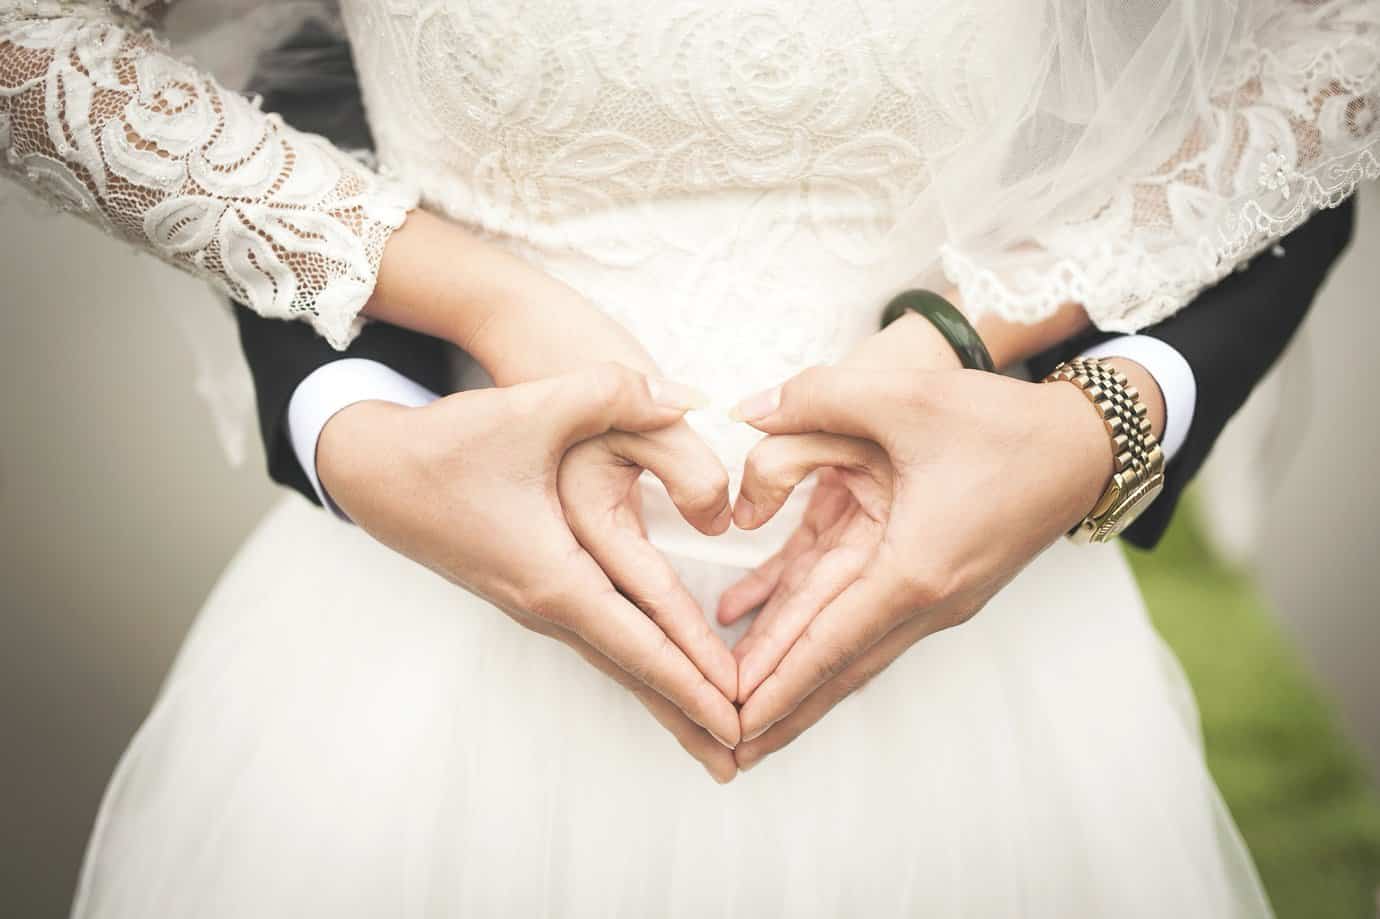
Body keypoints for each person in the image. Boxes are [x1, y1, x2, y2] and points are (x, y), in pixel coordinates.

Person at [1, 1, 1375, 915]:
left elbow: (1331, 53)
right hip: (427, 641)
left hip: (972, 647)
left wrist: (1035, 386)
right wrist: (476, 304)